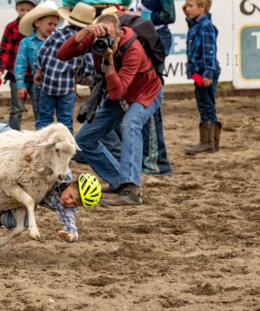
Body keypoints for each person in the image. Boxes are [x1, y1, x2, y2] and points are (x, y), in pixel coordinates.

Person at [57, 13, 163, 205]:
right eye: (101, 36)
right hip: (121, 95)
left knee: (130, 124)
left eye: (110, 38)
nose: (105, 41)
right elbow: (62, 54)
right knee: (83, 140)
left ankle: (131, 189)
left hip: (146, 92)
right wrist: (85, 32)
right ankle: (119, 182)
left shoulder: (134, 49)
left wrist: (109, 63)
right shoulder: (95, 37)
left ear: (120, 33)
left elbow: (116, 92)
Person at [0, 116, 102, 242]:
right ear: (72, 183)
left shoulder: (65, 208)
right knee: (8, 134)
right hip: (26, 162)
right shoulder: (63, 173)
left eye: (75, 204)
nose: (69, 202)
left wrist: (70, 235)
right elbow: (43, 154)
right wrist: (29, 155)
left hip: (25, 194)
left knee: (19, 222)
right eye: (71, 197)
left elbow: (71, 225)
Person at [35, 3, 95, 132]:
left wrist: (39, 71)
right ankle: (66, 148)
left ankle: (41, 145)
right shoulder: (85, 42)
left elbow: (42, 53)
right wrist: (83, 75)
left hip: (48, 84)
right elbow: (88, 66)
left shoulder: (56, 34)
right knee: (65, 120)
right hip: (67, 86)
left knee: (44, 118)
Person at [132, 0, 175, 175]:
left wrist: (141, 17)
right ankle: (150, 159)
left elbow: (169, 15)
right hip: (144, 38)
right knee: (142, 98)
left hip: (155, 39)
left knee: (148, 97)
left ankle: (155, 161)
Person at [182, 0, 221, 155]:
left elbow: (210, 51)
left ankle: (208, 142)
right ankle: (209, 141)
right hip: (199, 73)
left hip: (205, 73)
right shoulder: (198, 24)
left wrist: (209, 72)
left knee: (206, 104)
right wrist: (188, 14)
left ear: (202, 7)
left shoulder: (206, 26)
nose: (187, 9)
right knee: (203, 102)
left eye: (190, 6)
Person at [15, 1, 59, 129]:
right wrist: (20, 85)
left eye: (55, 25)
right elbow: (20, 64)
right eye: (49, 24)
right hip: (39, 85)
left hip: (58, 83)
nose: (53, 27)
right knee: (41, 116)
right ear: (37, 23)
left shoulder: (57, 40)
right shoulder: (26, 42)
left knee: (62, 116)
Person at [0, 0, 37, 130]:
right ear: (17, 9)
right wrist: (1, 69)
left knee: (39, 107)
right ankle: (13, 135)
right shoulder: (11, 27)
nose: (25, 13)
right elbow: (5, 50)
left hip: (36, 75)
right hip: (15, 73)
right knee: (17, 108)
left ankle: (42, 134)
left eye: (28, 10)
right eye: (22, 9)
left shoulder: (38, 27)